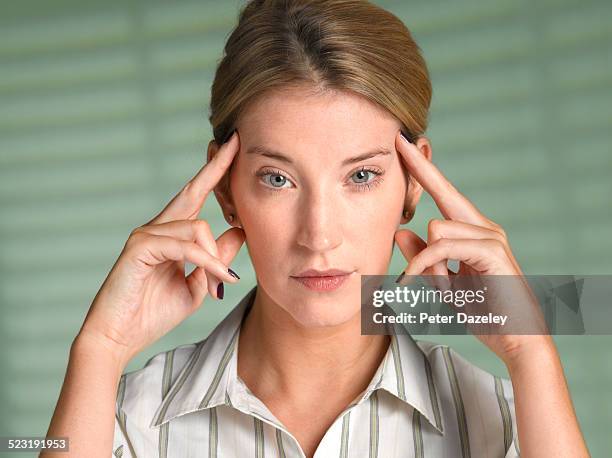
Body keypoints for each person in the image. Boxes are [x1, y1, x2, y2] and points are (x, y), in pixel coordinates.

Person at [42, 0, 590, 457]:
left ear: (413, 184)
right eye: (278, 178)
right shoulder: (119, 423)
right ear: (228, 190)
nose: (318, 235)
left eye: (362, 175)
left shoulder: (504, 422)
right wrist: (101, 347)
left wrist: (530, 348)